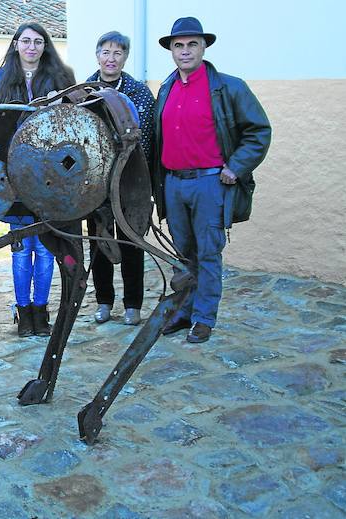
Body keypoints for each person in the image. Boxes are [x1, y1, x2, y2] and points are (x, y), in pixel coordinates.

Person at [154, 17, 271, 343]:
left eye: (192, 44)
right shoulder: (167, 88)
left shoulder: (228, 87)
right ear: (171, 51)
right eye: (179, 45)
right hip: (174, 184)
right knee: (183, 254)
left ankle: (204, 318)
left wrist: (236, 167)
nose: (185, 51)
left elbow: (258, 131)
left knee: (207, 253)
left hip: (210, 184)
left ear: (204, 47)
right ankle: (184, 311)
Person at [0, 21, 75, 337]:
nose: (32, 47)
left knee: (46, 245)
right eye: (26, 41)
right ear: (16, 45)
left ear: (45, 46)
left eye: (38, 42)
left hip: (50, 173)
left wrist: (58, 105)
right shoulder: (0, 81)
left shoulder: (60, 79)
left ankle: (41, 310)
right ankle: (23, 312)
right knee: (22, 246)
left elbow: (72, 125)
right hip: (16, 172)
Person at [85, 31, 156, 326]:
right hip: (95, 181)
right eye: (106, 52)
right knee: (100, 240)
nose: (111, 58)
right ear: (97, 55)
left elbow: (149, 136)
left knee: (131, 240)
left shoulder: (139, 92)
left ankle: (133, 305)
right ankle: (103, 302)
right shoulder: (84, 92)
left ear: (125, 58)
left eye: (117, 53)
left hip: (130, 181)